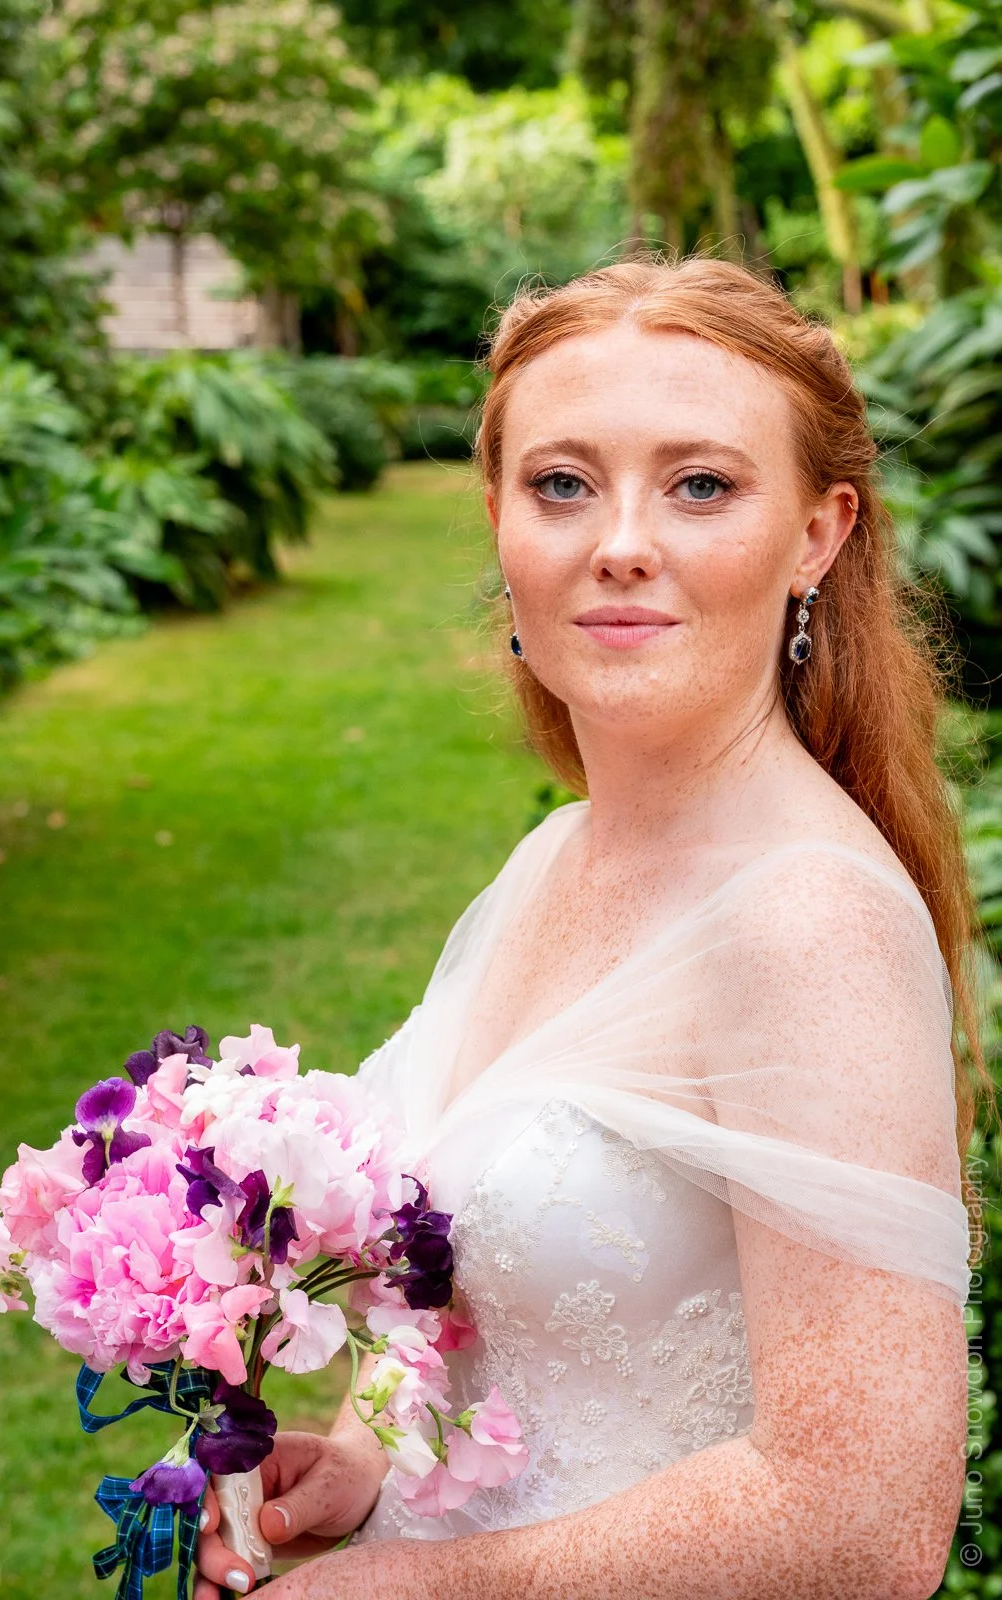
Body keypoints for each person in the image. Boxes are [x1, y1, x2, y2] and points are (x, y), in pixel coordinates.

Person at [194, 257, 991, 1600]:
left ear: (818, 534)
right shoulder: (556, 854)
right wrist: (369, 1462)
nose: (619, 540)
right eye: (562, 483)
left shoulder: (808, 924)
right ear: (501, 522)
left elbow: (866, 1524)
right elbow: (509, 1301)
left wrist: (420, 1589)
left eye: (701, 485)